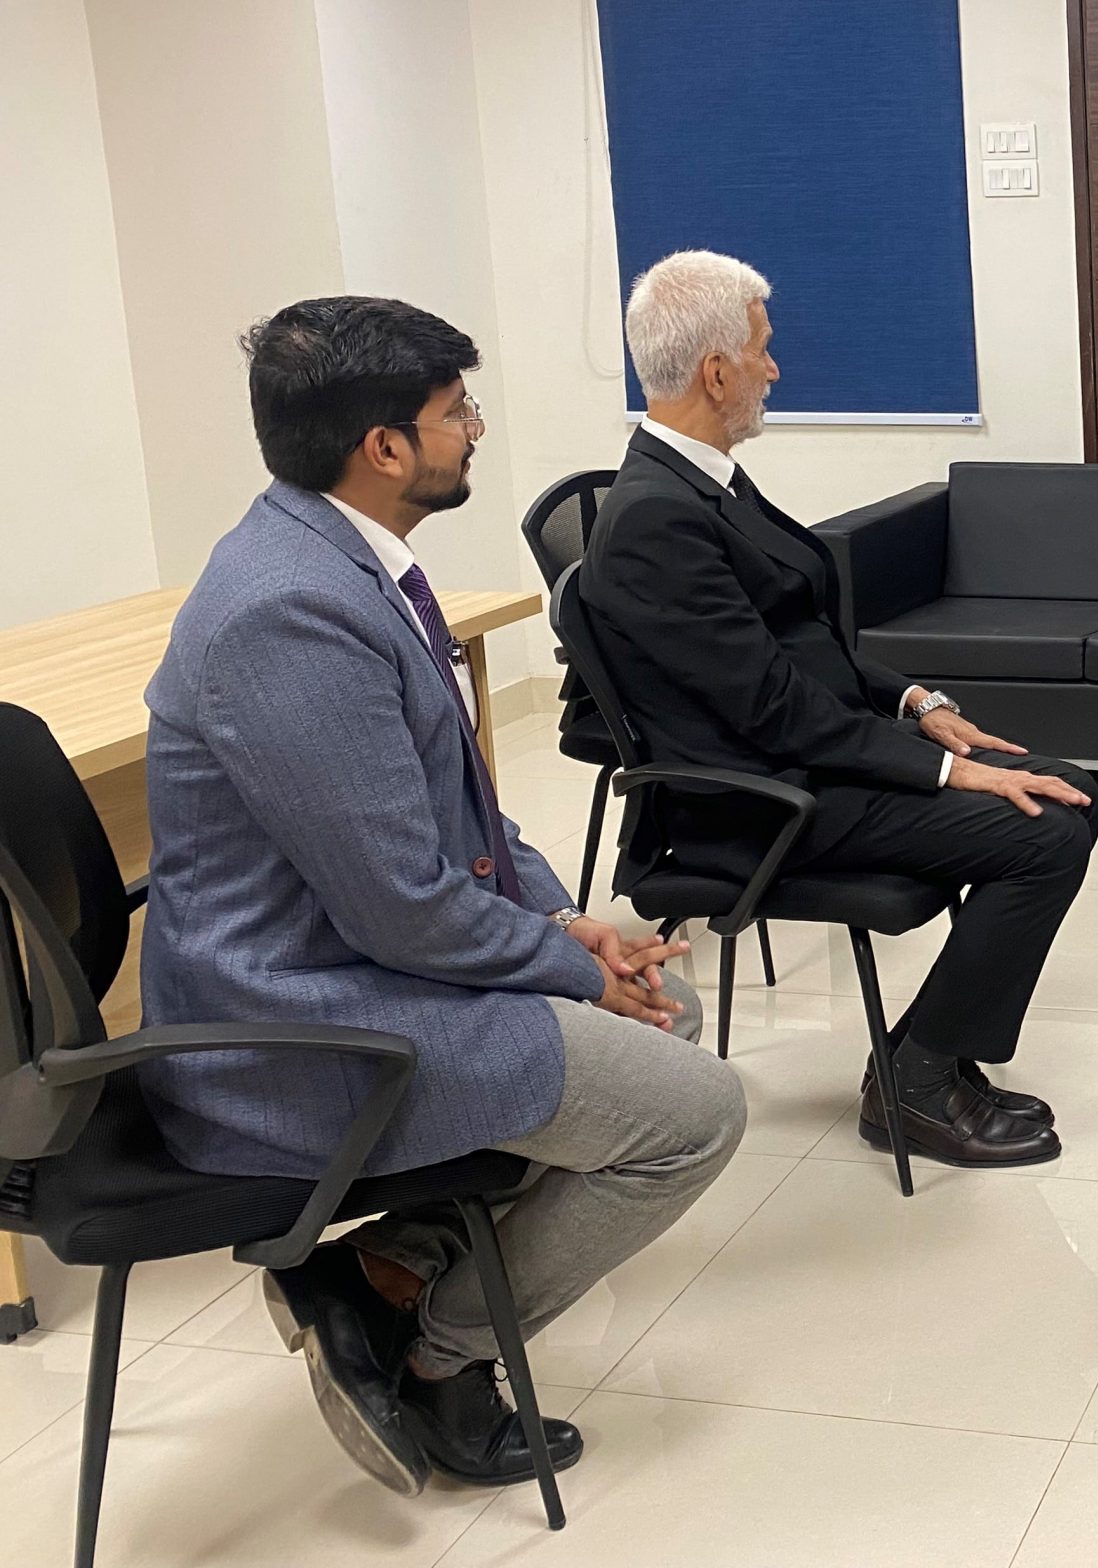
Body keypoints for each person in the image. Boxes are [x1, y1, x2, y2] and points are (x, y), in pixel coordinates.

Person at [142, 297, 745, 1495]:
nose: (475, 428)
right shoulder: (287, 613)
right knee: (697, 1114)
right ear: (384, 447)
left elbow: (460, 812)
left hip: (355, 965)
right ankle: (441, 1352)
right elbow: (404, 908)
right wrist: (577, 972)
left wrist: (566, 927)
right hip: (293, 1025)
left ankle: (380, 1273)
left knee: (656, 1024)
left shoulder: (338, 562)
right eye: (457, 410)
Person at [578, 251, 1098, 1171]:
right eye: (763, 349)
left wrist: (915, 700)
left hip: (804, 761)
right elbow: (772, 709)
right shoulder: (657, 516)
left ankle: (921, 1060)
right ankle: (919, 1082)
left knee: (1067, 790)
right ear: (717, 372)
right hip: (758, 801)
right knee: (1048, 828)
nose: (774, 369)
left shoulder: (702, 479)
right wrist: (949, 772)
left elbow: (799, 632)